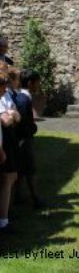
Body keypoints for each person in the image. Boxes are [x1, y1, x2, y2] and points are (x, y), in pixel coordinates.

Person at [10, 69, 44, 209]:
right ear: (30, 83)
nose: (38, 86)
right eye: (37, 83)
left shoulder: (22, 97)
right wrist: (32, 129)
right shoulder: (23, 100)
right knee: (30, 169)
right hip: (24, 139)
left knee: (21, 169)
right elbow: (22, 123)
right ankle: (35, 198)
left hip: (23, 138)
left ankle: (18, 196)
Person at [0, 71, 21, 234]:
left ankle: (6, 215)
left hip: (7, 142)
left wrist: (13, 114)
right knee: (7, 178)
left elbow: (16, 115)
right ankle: (3, 220)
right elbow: (6, 121)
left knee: (12, 177)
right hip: (4, 142)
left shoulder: (6, 94)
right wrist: (12, 115)